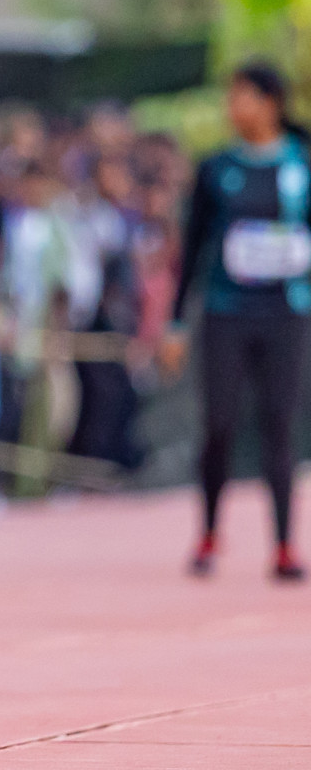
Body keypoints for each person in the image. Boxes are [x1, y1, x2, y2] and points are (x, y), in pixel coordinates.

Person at [162, 62, 310, 582]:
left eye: (243, 97)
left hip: (286, 313)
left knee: (279, 424)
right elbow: (195, 246)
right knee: (220, 422)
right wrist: (176, 322)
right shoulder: (216, 168)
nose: (233, 108)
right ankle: (207, 532)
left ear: (271, 102)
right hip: (227, 313)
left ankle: (285, 544)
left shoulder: (301, 163)